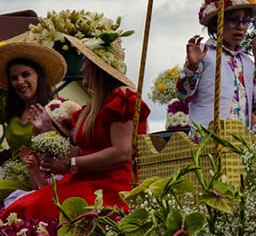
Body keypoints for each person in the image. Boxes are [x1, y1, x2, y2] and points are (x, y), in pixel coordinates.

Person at [0, 32, 150, 221]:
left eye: (86, 63)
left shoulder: (123, 98)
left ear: (97, 68)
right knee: (17, 209)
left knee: (27, 211)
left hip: (108, 188)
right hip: (82, 181)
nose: (82, 69)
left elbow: (122, 153)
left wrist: (70, 164)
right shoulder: (91, 108)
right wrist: (50, 148)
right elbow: (78, 151)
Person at [176, 0, 256, 135]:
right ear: (216, 23)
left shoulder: (247, 61)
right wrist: (192, 67)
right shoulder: (203, 53)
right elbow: (183, 95)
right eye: (233, 20)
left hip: (239, 141)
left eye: (246, 21)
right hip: (207, 138)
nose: (241, 27)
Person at [0, 41, 67, 201]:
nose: (20, 82)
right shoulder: (12, 112)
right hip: (12, 176)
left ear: (38, 75)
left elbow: (65, 150)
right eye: (14, 78)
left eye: (25, 74)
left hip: (42, 179)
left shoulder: (55, 109)